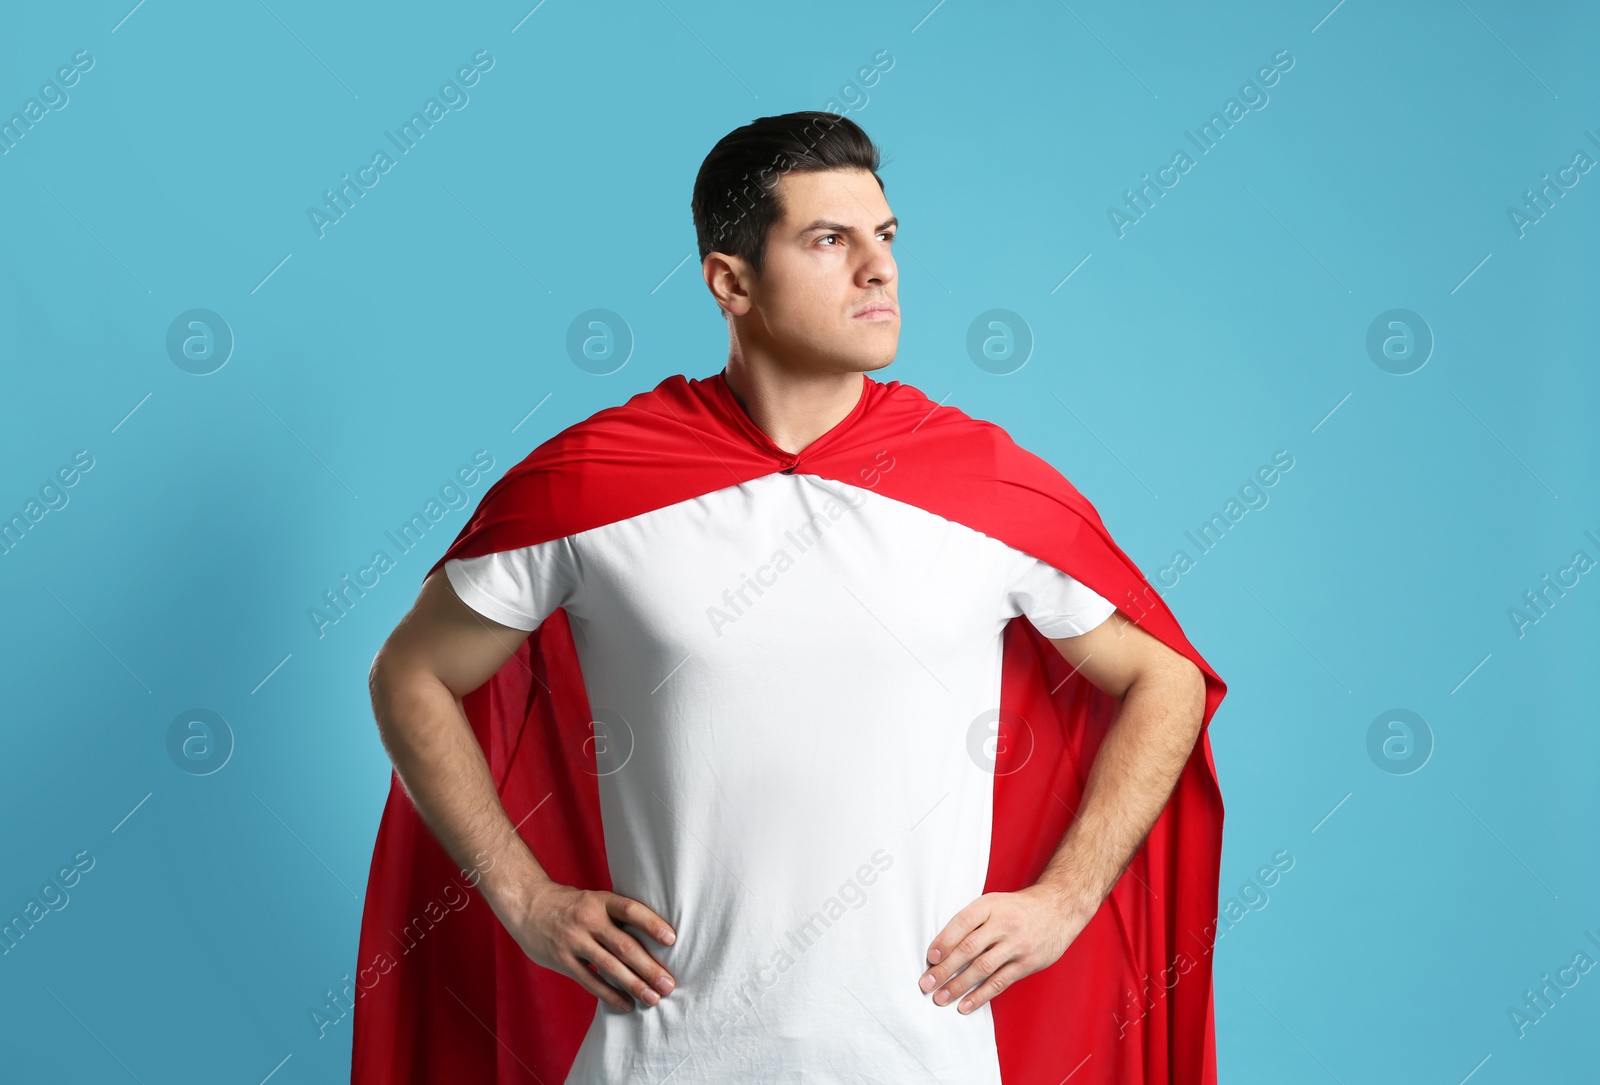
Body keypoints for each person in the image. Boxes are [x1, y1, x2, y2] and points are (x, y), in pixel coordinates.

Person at [354, 111, 1226, 1084]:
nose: (878, 269)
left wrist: (1064, 897)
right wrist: (524, 896)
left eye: (885, 238)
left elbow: (1167, 680)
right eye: (829, 241)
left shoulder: (983, 486)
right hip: (662, 1058)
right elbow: (412, 671)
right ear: (729, 281)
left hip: (921, 1058)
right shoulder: (594, 484)